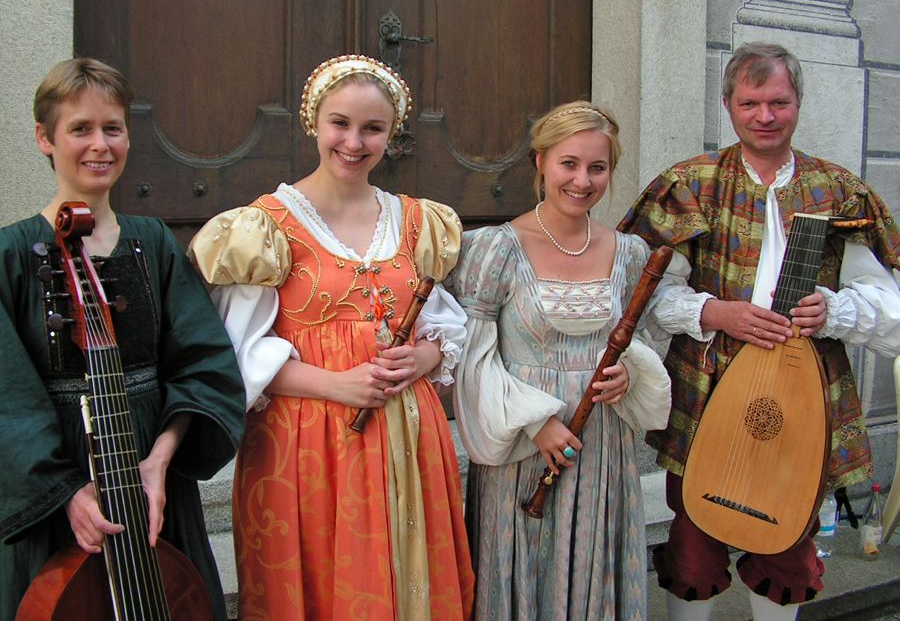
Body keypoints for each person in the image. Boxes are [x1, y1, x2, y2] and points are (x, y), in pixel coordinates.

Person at [619, 42, 900, 621]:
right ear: (727, 105)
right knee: (693, 541)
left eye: (779, 102)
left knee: (788, 543)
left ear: (799, 103)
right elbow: (642, 298)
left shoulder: (839, 191)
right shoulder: (690, 184)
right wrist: (713, 313)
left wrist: (834, 311)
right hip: (707, 385)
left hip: (804, 392)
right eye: (750, 103)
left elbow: (888, 307)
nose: (765, 116)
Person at [188, 54, 474, 620]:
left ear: (392, 134)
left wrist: (423, 356)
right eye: (340, 123)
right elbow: (238, 354)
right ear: (314, 122)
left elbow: (443, 321)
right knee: (322, 578)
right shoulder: (265, 227)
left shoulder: (418, 221)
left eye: (373, 128)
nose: (354, 141)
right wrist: (336, 384)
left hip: (409, 431)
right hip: (306, 440)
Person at [0, 58, 245, 621]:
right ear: (45, 138)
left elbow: (203, 364)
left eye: (112, 128)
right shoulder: (11, 254)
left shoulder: (152, 241)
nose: (100, 144)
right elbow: (6, 396)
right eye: (80, 128)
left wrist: (158, 462)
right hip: (54, 477)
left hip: (151, 470)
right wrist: (65, 494)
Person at [446, 101, 672, 621]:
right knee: (524, 562)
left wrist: (628, 373)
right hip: (522, 446)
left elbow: (637, 340)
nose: (582, 180)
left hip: (602, 443)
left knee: (593, 557)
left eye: (598, 167)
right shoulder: (495, 248)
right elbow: (474, 359)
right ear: (541, 161)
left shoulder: (630, 253)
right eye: (569, 163)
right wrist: (535, 422)